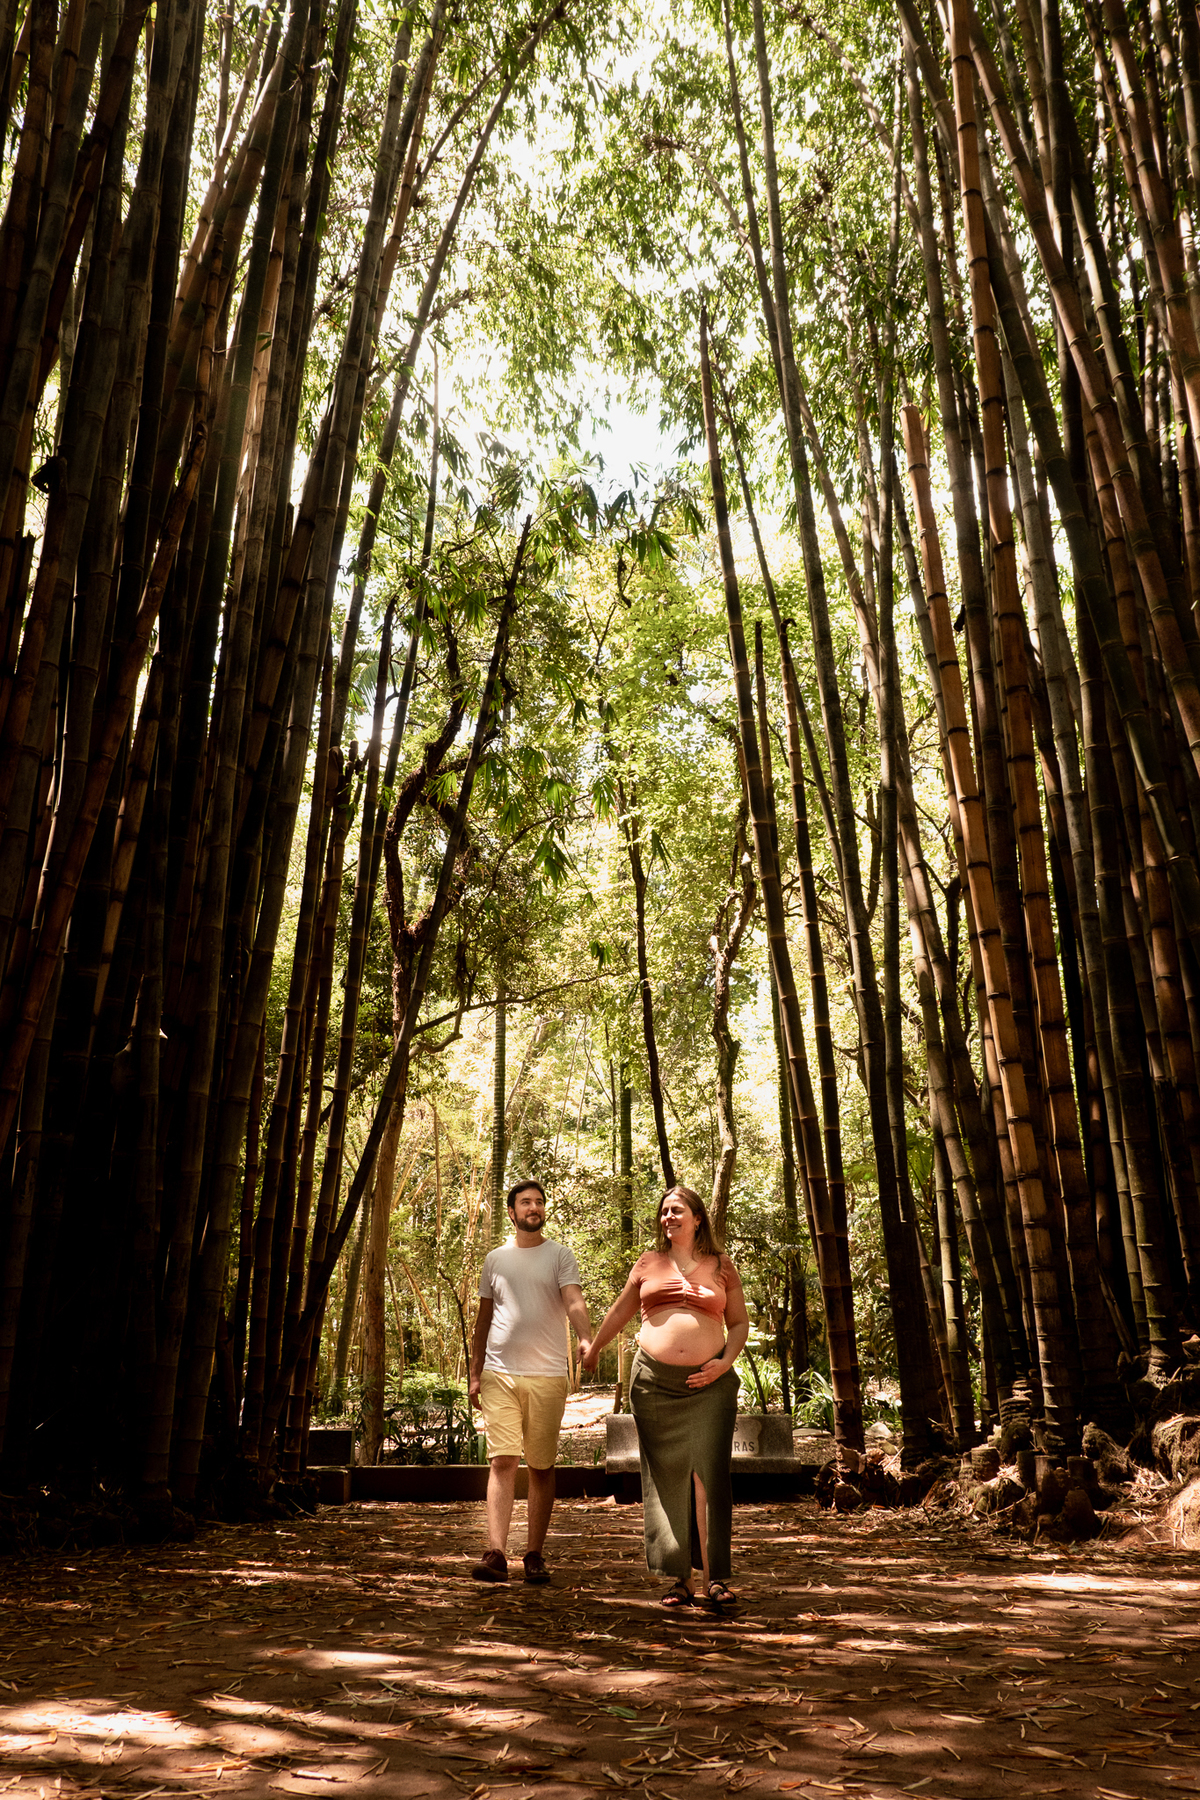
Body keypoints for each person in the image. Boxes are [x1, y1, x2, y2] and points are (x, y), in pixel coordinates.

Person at [581, 1183, 748, 1610]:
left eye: (677, 1210)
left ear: (697, 1218)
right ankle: (680, 1580)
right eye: (664, 1212)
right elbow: (621, 1311)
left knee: (707, 1476)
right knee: (666, 1478)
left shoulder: (721, 1265)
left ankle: (714, 1579)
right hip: (654, 1385)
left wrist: (724, 1362)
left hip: (709, 1384)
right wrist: (595, 1347)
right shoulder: (648, 1263)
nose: (669, 1217)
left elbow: (740, 1323)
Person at [468, 1179, 593, 1584]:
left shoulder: (560, 1255)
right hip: (499, 1373)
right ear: (512, 1212)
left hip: (548, 1374)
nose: (533, 1207)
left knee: (541, 1465)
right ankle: (496, 1553)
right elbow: (484, 1320)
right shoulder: (495, 1259)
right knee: (503, 1460)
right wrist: (474, 1373)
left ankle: (534, 1555)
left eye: (539, 1201)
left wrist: (587, 1336)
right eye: (525, 1202)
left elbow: (573, 1299)